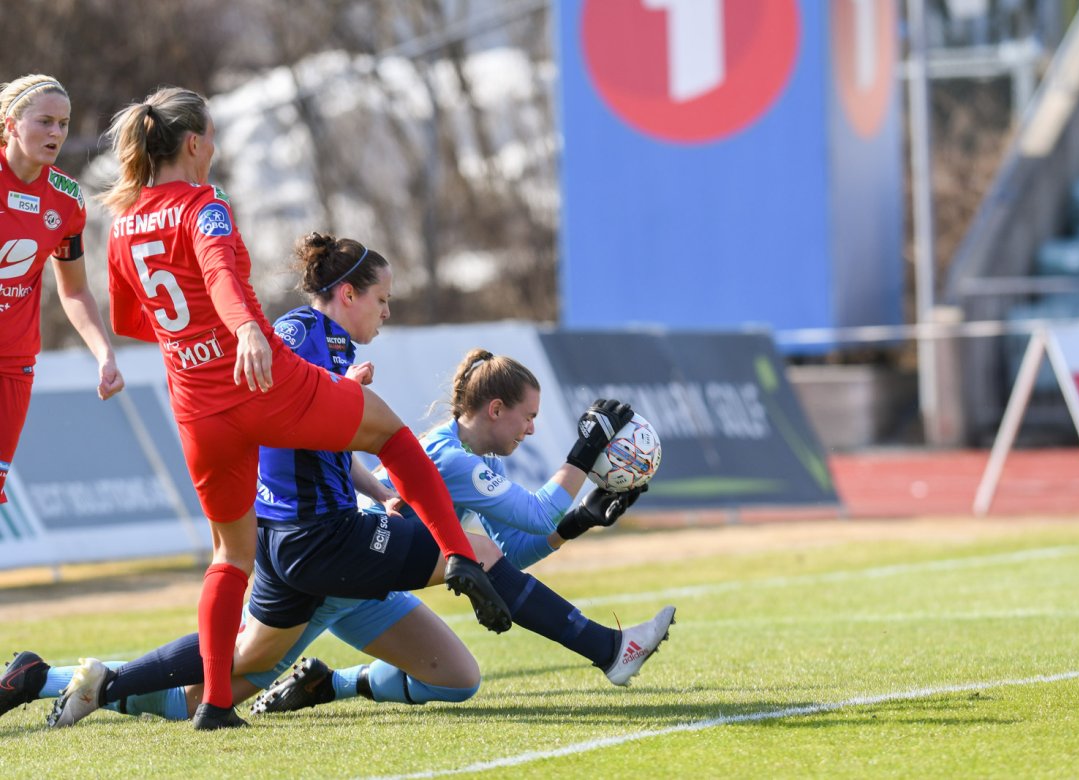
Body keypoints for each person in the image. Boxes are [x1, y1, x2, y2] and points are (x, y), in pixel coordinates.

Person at [28, 232, 670, 726]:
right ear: (347, 295)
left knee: (255, 665)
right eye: (382, 300)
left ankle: (83, 684)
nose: (386, 313)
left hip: (305, 543)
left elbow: (320, 435)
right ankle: (609, 649)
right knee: (468, 550)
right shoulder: (309, 337)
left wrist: (375, 483)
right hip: (322, 540)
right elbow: (288, 414)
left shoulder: (323, 346)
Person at [98, 87, 541, 729]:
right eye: (211, 137)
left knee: (228, 558)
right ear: (193, 142)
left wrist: (192, 339)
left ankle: (216, 704)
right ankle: (459, 554)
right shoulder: (203, 204)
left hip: (196, 407)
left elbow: (128, 319)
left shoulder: (123, 222)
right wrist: (244, 332)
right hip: (259, 381)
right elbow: (220, 274)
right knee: (389, 433)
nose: (214, 148)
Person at [0, 75, 124, 504]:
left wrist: (104, 354)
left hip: (12, 365)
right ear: (11, 125)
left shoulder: (66, 200)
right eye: (45, 122)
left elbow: (74, 291)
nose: (56, 133)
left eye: (64, 124)